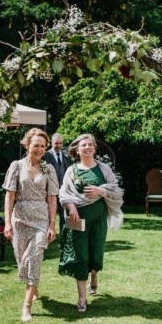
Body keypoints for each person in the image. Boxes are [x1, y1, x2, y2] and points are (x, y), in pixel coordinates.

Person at [58, 133, 124, 313]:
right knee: (81, 255)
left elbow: (116, 189)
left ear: (94, 148)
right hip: (78, 218)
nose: (87, 148)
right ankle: (81, 298)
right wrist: (71, 206)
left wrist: (100, 191)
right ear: (77, 150)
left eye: (90, 145)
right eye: (83, 146)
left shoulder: (104, 169)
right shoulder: (71, 170)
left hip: (98, 219)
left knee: (95, 253)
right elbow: (64, 193)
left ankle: (94, 278)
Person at [2, 128, 59, 322]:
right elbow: (9, 196)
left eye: (43, 146)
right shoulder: (16, 166)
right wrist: (7, 222)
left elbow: (52, 199)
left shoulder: (48, 169)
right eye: (36, 145)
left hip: (41, 220)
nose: (40, 149)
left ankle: (27, 306)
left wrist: (52, 225)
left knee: (35, 257)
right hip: (20, 220)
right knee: (22, 260)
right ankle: (34, 285)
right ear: (27, 145)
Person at [44, 133, 71, 230]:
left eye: (60, 143)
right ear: (51, 143)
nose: (59, 145)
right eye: (56, 143)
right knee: (49, 214)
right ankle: (47, 234)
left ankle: (64, 235)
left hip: (64, 190)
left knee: (65, 213)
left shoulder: (66, 156)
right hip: (50, 190)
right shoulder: (46, 155)